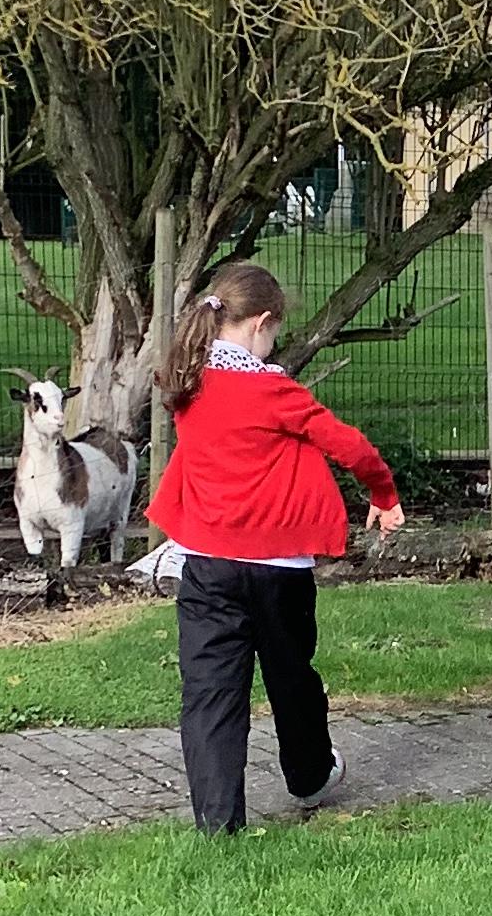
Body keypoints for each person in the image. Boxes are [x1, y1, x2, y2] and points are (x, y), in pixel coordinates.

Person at [150, 261, 403, 831]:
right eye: (274, 332)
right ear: (261, 323)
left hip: (207, 564)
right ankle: (310, 775)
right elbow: (349, 445)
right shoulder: (272, 389)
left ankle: (218, 824)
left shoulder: (187, 383)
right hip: (279, 568)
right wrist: (383, 493)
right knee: (292, 677)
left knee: (210, 692)